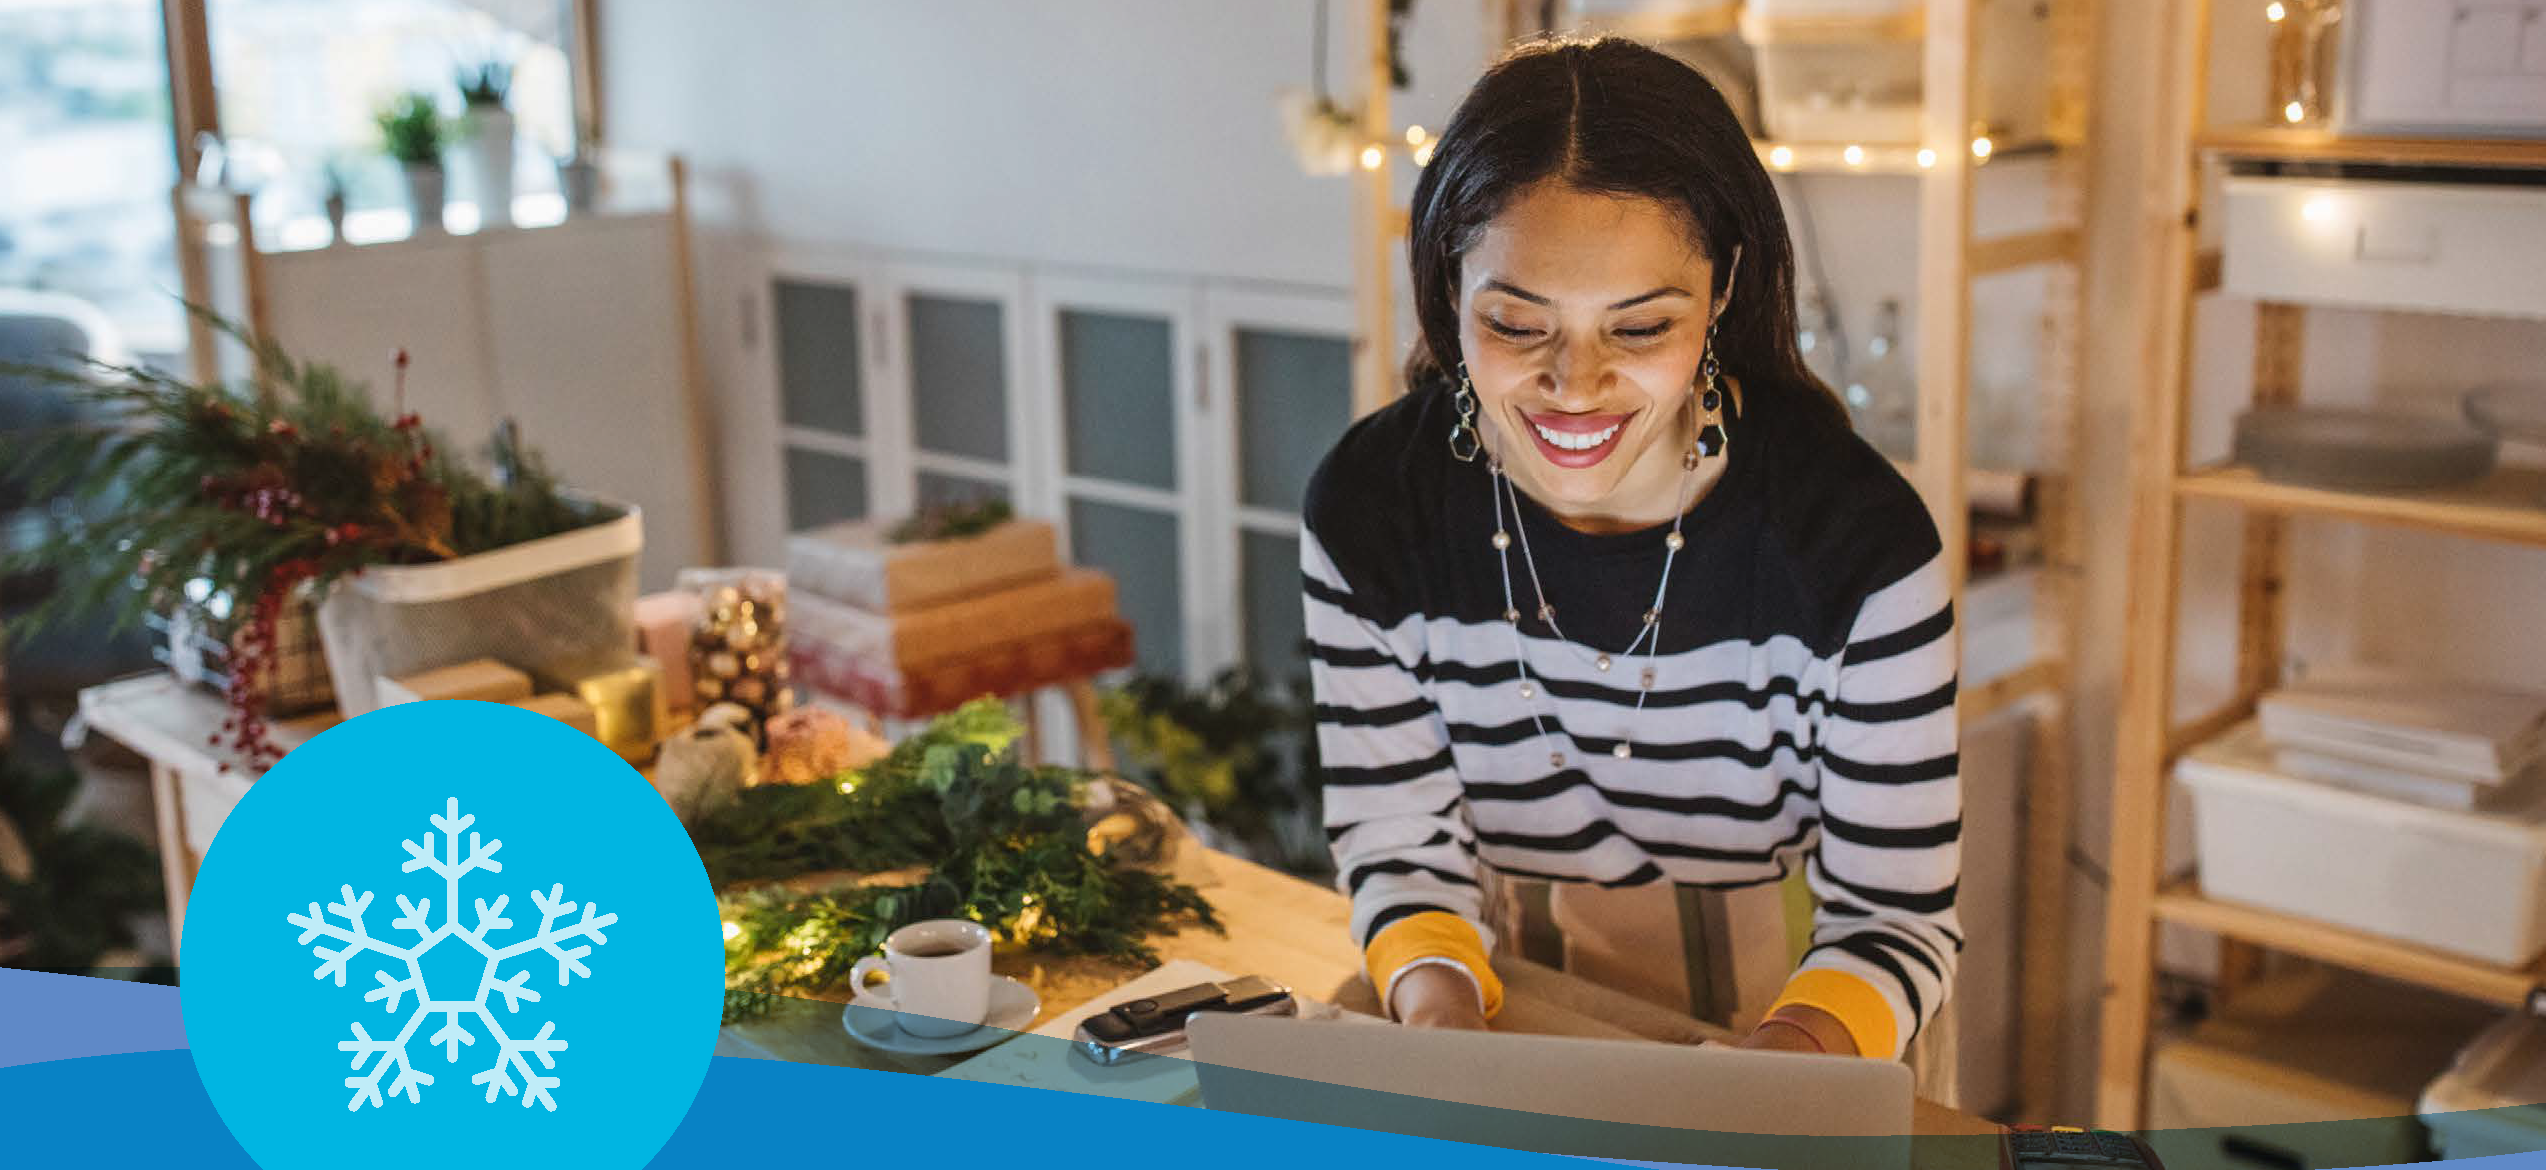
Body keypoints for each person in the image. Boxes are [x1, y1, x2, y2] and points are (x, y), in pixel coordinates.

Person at [1303, 36, 1960, 1060]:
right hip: (1494, 1006)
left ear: (1722, 291)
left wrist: (1773, 1080)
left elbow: (1894, 915)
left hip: (1801, 1032)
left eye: (1640, 328)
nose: (1576, 386)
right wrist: (1437, 1032)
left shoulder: (1855, 547)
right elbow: (1398, 847)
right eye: (1517, 326)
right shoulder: (1372, 515)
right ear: (1446, 293)